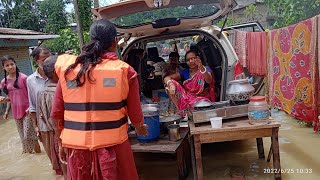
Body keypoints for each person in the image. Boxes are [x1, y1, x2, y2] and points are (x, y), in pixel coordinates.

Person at [51, 19, 148, 180]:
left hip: (77, 150)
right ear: (115, 41)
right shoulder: (125, 71)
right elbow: (135, 114)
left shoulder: (69, 70)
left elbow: (56, 113)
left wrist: (60, 141)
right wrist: (140, 128)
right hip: (114, 148)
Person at [0, 55, 40, 153]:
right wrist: (6, 110)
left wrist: (32, 109)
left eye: (12, 64)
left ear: (15, 64)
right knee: (24, 137)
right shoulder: (4, 82)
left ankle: (29, 154)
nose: (10, 67)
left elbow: (32, 95)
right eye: (7, 65)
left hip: (28, 111)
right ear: (3, 67)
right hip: (16, 112)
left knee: (27, 136)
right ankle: (36, 156)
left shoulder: (24, 78)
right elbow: (11, 98)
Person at [37, 55, 67, 177]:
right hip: (63, 138)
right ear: (57, 72)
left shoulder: (41, 93)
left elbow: (42, 117)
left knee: (64, 171)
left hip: (55, 137)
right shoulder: (58, 93)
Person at [163, 50, 215, 115]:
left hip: (202, 101)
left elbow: (209, 80)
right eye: (188, 60)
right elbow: (166, 78)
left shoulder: (205, 69)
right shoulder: (185, 72)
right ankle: (182, 111)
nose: (191, 61)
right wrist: (171, 84)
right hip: (188, 100)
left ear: (197, 58)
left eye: (193, 58)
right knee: (171, 84)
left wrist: (201, 67)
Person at [27, 47, 51, 144]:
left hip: (61, 123)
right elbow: (32, 106)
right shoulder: (31, 80)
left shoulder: (58, 76)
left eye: (50, 59)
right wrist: (36, 126)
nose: (48, 63)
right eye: (44, 60)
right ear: (36, 61)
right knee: (51, 157)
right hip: (43, 125)